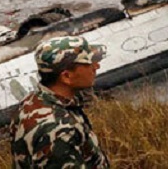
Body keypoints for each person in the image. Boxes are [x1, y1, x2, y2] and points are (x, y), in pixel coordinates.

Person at [11, 36, 109, 168]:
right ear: (67, 76)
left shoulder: (30, 103)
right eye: (89, 63)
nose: (96, 66)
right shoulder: (60, 131)